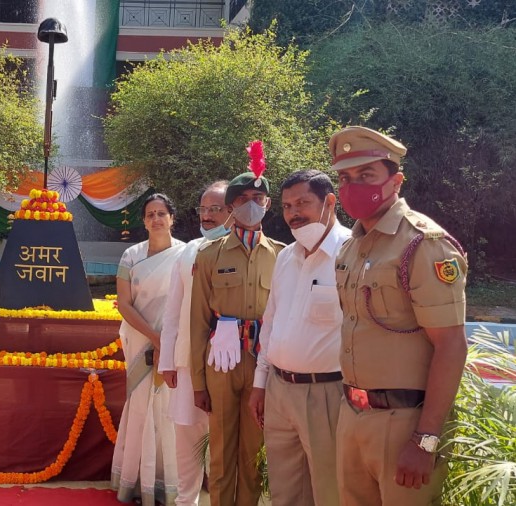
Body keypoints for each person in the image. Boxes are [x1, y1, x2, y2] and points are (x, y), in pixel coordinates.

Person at [328, 126, 468, 505]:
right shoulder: (350, 248)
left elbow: (451, 345)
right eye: (345, 178)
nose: (353, 185)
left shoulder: (423, 245)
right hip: (352, 417)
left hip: (405, 424)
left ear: (396, 181)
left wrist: (425, 440)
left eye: (366, 175)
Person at [247, 170, 350, 506]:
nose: (293, 213)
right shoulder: (286, 257)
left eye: (303, 203)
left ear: (329, 202)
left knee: (330, 490)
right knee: (285, 490)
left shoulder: (352, 254)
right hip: (279, 392)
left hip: (328, 394)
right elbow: (271, 320)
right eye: (287, 205)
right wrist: (261, 383)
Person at [190, 171, 285, 506]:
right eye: (243, 200)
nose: (251, 206)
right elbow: (198, 321)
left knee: (252, 452)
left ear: (268, 204)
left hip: (262, 366)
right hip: (221, 364)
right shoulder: (209, 255)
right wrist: (198, 383)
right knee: (221, 450)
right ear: (230, 206)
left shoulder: (282, 256)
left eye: (257, 200)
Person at [159, 181, 233, 506]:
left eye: (215, 209)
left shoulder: (248, 252)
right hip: (188, 367)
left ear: (233, 211)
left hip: (229, 367)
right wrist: (166, 360)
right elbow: (172, 311)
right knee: (187, 444)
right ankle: (185, 502)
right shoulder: (188, 251)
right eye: (203, 209)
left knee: (225, 446)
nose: (207, 215)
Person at [111, 193, 184, 505]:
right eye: (150, 214)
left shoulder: (186, 254)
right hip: (141, 340)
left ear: (172, 218)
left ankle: (171, 484)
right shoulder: (131, 255)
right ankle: (136, 481)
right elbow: (124, 304)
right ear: (143, 220)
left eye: (162, 213)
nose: (156, 219)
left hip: (177, 341)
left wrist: (169, 339)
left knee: (170, 408)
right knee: (141, 405)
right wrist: (154, 337)